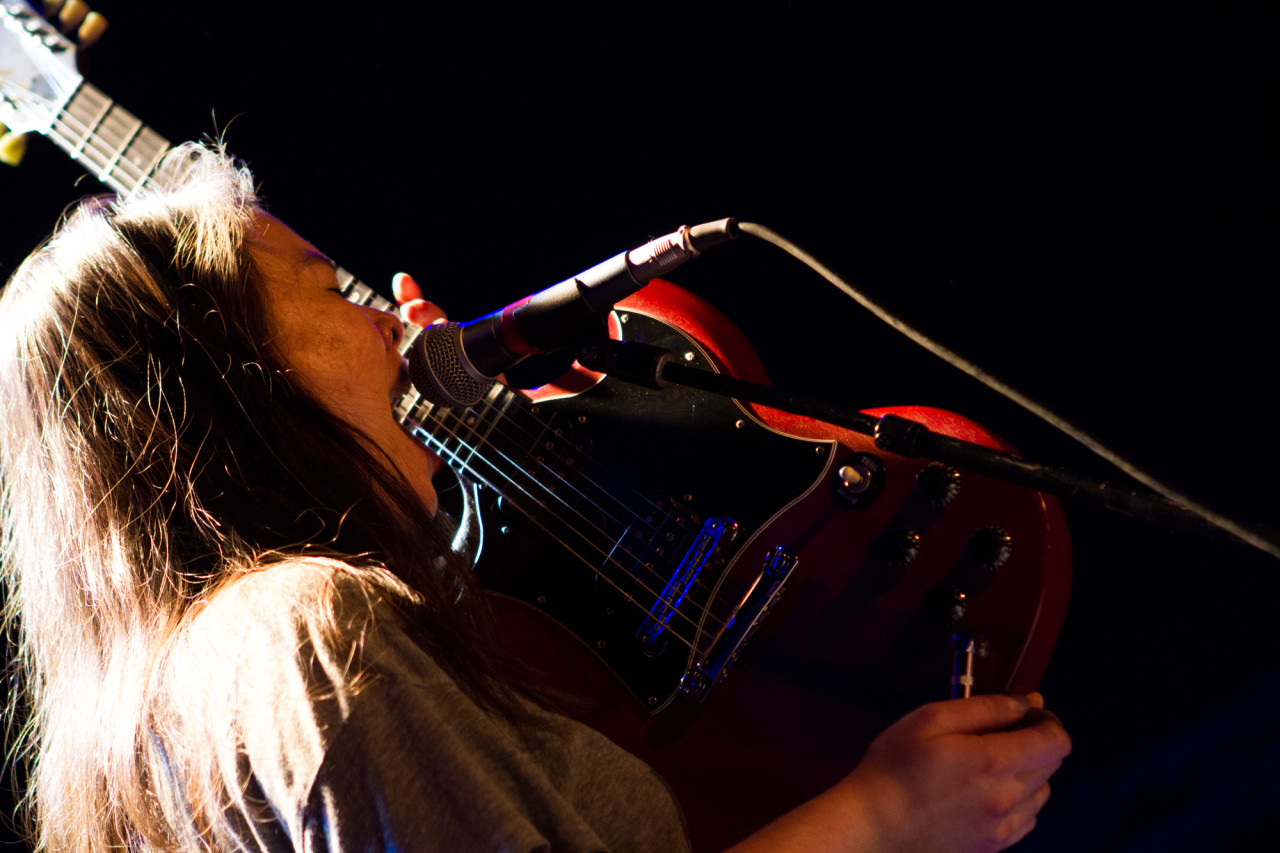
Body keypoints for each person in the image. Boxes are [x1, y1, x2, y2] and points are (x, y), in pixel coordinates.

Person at [0, 143, 1070, 852]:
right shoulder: (299, 637)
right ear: (234, 374)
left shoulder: (168, 711)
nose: (396, 329)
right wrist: (882, 816)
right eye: (329, 291)